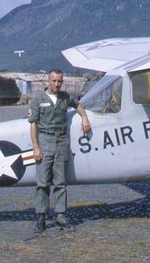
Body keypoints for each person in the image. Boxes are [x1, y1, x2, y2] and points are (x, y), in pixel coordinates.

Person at [28, 69, 91, 233]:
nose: (57, 84)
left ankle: (60, 216)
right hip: (45, 141)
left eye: (60, 81)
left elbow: (78, 105)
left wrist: (84, 117)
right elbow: (33, 124)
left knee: (60, 182)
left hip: (61, 141)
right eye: (54, 81)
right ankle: (41, 217)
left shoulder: (65, 97)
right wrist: (35, 147)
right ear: (48, 81)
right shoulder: (37, 100)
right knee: (42, 183)